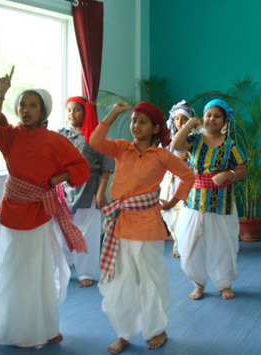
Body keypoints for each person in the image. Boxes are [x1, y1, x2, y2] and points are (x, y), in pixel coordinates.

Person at [0, 67, 90, 347]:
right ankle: (12, 328)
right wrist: (0, 95)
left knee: (38, 275)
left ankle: (43, 328)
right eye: (22, 104)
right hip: (9, 215)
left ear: (43, 111)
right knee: (13, 272)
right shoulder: (11, 137)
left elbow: (80, 167)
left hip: (38, 215)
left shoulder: (56, 141)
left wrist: (60, 177)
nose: (26, 109)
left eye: (33, 105)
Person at [90, 101, 195, 354]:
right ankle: (124, 332)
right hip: (121, 224)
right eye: (134, 120)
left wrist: (173, 200)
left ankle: (155, 329)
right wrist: (114, 113)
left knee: (150, 281)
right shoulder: (121, 148)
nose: (136, 125)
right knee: (123, 281)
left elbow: (188, 175)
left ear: (156, 127)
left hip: (147, 225)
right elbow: (95, 141)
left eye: (142, 121)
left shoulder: (161, 155)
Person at [171, 99, 247, 301]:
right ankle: (198, 283)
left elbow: (243, 169)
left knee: (222, 246)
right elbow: (175, 144)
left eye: (217, 116)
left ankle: (224, 284)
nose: (211, 119)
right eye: (208, 115)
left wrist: (229, 174)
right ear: (203, 117)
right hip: (194, 202)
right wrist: (188, 125)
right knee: (190, 244)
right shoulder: (194, 140)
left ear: (224, 121)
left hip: (221, 204)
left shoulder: (230, 144)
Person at [57, 96, 114, 288]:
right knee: (62, 232)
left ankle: (85, 273)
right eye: (69, 110)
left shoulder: (95, 137)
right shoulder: (60, 136)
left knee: (87, 233)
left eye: (77, 110)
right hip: (63, 192)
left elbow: (105, 168)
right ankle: (62, 269)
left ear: (86, 112)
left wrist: (101, 192)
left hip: (88, 191)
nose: (72, 114)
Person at [161, 100, 195, 258]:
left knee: (186, 216)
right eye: (177, 119)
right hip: (172, 184)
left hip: (191, 185)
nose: (180, 122)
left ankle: (182, 247)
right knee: (172, 217)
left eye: (183, 119)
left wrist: (188, 156)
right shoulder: (167, 144)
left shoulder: (197, 140)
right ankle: (178, 243)